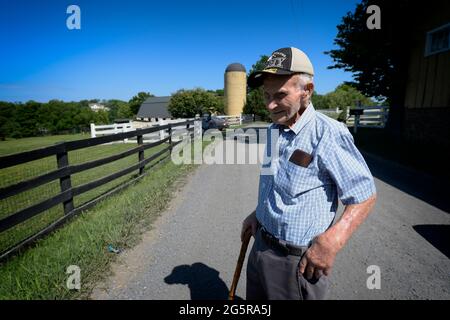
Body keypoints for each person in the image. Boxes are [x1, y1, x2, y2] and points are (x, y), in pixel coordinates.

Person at [241, 47, 377, 300]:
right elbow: (275, 185)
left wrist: (332, 241)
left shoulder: (328, 133)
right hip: (260, 246)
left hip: (295, 261)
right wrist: (257, 212)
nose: (270, 105)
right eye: (266, 95)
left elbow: (364, 195)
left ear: (307, 91)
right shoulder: (274, 130)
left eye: (280, 95)